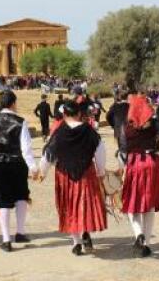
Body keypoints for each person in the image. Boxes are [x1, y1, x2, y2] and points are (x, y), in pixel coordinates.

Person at [39, 100, 107, 256]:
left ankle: (76, 242)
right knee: (86, 205)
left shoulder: (59, 131)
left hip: (64, 175)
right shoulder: (89, 131)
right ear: (79, 114)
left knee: (69, 206)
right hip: (86, 173)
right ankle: (86, 233)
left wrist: (42, 172)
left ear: (64, 114)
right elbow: (100, 150)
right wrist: (101, 171)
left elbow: (49, 154)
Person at [0, 90, 39, 252]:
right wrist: (33, 166)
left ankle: (6, 239)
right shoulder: (20, 122)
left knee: (2, 201)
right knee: (21, 196)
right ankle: (20, 232)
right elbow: (26, 148)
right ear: (13, 103)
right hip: (18, 163)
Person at [119, 93, 159, 257]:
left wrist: (122, 169)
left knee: (132, 203)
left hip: (133, 165)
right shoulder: (154, 124)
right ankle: (146, 243)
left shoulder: (126, 126)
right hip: (151, 164)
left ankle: (138, 233)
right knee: (149, 205)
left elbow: (123, 150)